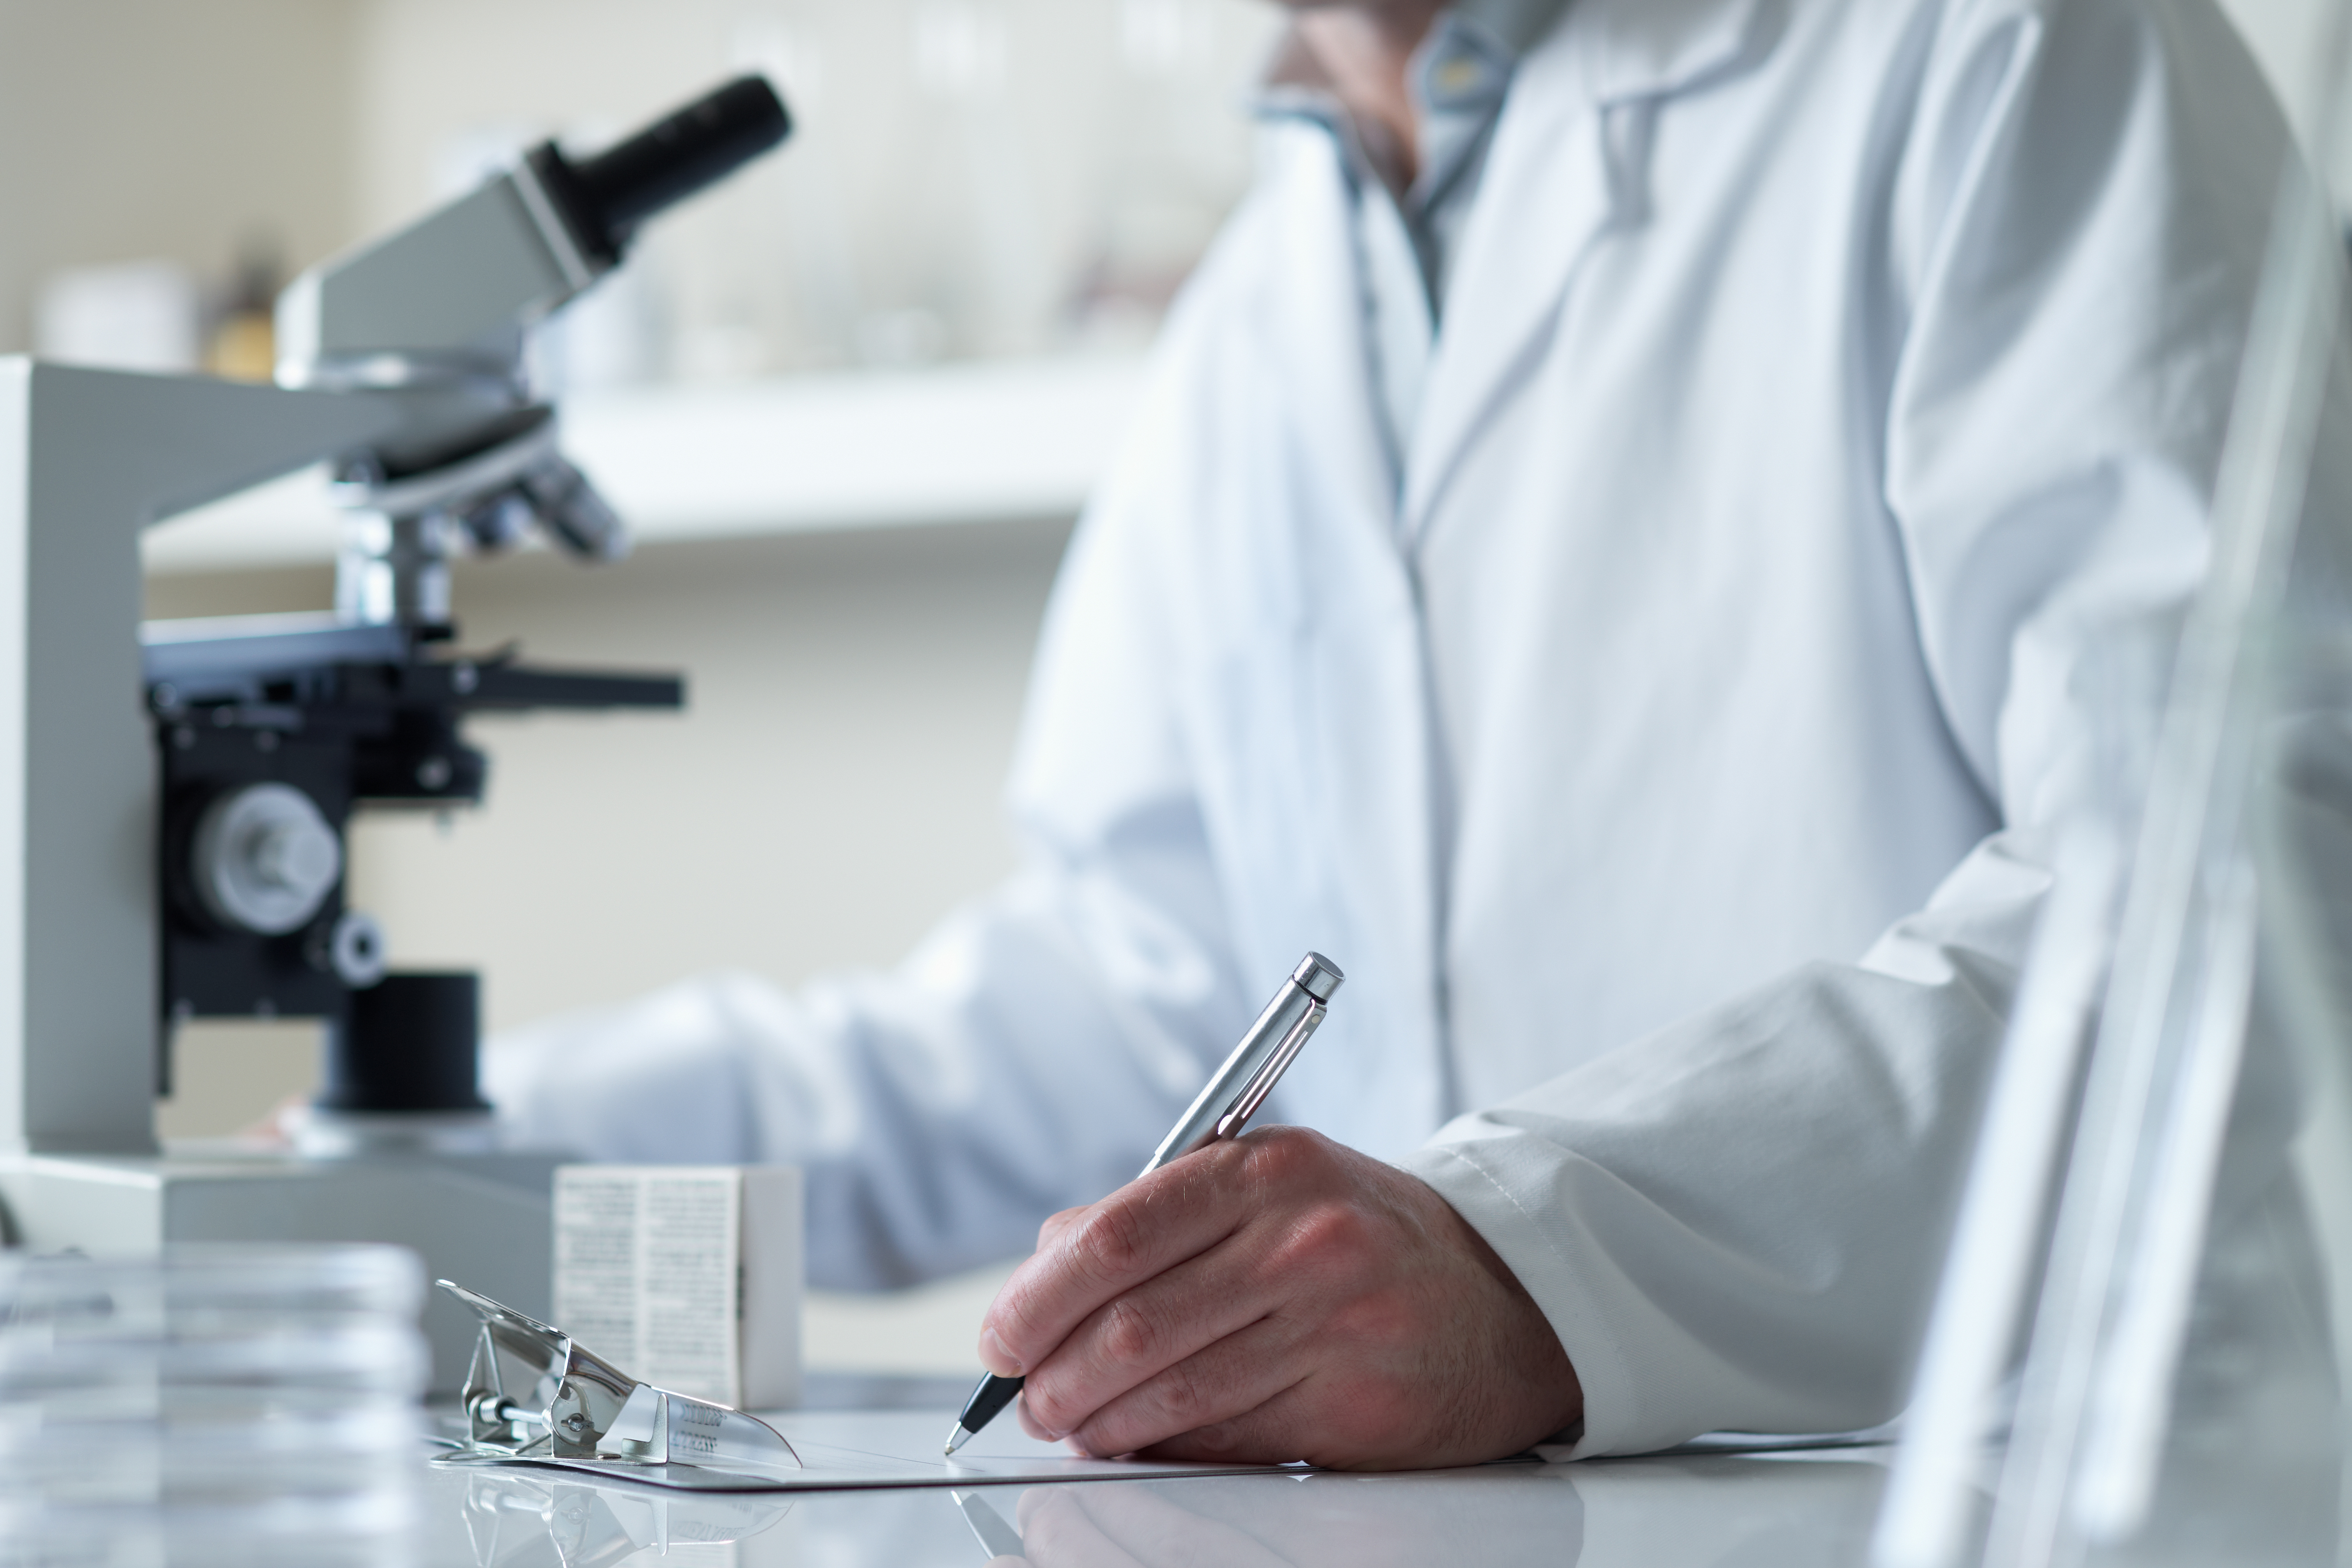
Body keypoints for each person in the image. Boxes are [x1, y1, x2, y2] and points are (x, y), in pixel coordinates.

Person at [489, 0, 2293, 1466]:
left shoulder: (2002, 50)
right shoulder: (1258, 311)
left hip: (2003, 1489)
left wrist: (1535, 1262)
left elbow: (2223, 877)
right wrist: (458, 1146)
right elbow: (1136, 1000)